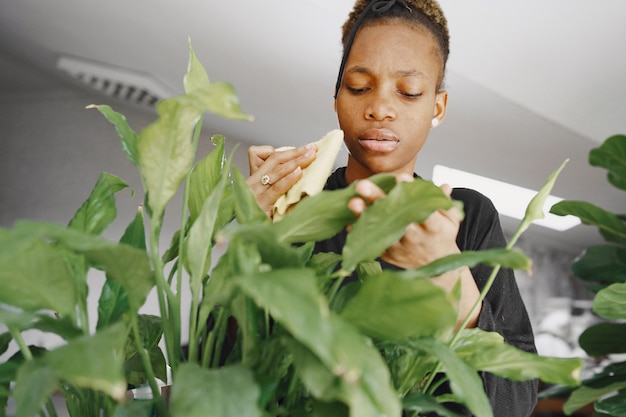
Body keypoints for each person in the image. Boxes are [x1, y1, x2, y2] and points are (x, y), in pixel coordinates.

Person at [246, 0, 538, 415]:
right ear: (336, 97)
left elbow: (517, 401)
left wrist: (448, 272)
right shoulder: (295, 207)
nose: (379, 108)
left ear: (436, 107)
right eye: (359, 87)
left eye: (409, 91)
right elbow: (227, 366)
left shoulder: (466, 216)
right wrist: (245, 235)